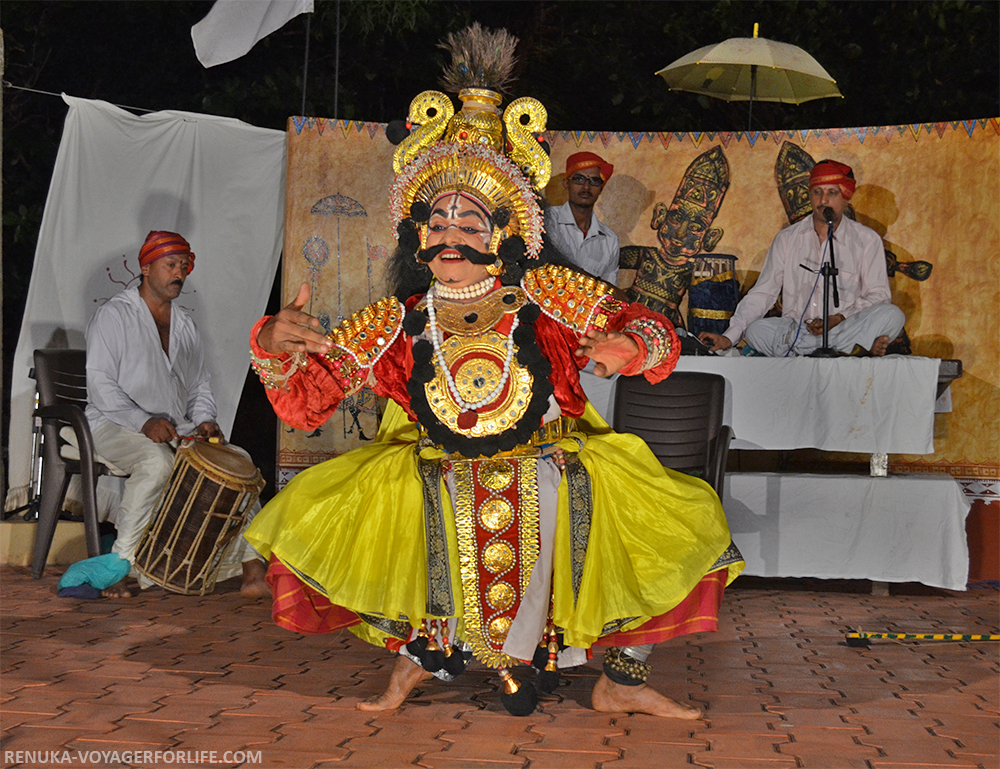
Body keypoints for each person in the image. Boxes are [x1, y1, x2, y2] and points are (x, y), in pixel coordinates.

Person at [244, 24, 742, 719]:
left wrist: (635, 345)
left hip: (548, 469)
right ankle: (415, 665)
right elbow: (302, 404)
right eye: (436, 221)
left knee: (678, 519)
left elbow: (651, 325)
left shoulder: (550, 296)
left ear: (507, 233)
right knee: (409, 497)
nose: (449, 236)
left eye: (470, 223)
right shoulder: (394, 318)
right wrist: (270, 344)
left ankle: (621, 677)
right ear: (416, 233)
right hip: (440, 476)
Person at [85, 230, 270, 599]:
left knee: (240, 463)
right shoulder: (114, 315)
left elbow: (199, 385)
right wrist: (143, 421)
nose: (179, 274)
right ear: (145, 266)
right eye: (171, 265)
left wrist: (204, 419)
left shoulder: (184, 324)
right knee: (156, 463)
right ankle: (118, 569)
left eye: (184, 266)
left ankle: (253, 569)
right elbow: (100, 385)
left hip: (170, 427)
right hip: (112, 424)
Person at [699, 159, 905, 356]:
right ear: (810, 195)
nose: (823, 201)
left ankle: (831, 347)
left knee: (892, 315)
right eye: (817, 192)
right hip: (798, 331)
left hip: (844, 326)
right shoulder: (788, 239)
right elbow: (763, 293)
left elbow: (878, 296)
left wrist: (838, 318)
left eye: (832, 193)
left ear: (845, 197)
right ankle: (852, 348)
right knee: (756, 331)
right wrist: (730, 337)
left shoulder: (867, 240)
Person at [619, 146, 731, 329]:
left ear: (710, 238)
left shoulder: (694, 270)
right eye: (677, 218)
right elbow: (605, 261)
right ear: (660, 215)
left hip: (666, 323)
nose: (681, 232)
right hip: (630, 314)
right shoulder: (645, 255)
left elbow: (715, 297)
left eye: (695, 227)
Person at [545, 152, 620, 285]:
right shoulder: (547, 220)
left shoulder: (610, 240)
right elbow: (548, 267)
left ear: (601, 189)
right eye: (579, 179)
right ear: (566, 184)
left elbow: (609, 291)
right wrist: (593, 282)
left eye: (594, 181)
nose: (586, 187)